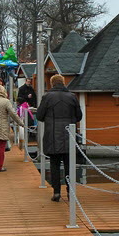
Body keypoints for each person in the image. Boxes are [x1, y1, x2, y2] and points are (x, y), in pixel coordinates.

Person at [37, 74, 82, 202]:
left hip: (52, 135)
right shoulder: (72, 97)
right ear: (63, 83)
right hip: (69, 135)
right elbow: (79, 116)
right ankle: (70, 192)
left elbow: (39, 116)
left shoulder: (47, 97)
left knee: (54, 165)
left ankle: (56, 192)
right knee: (69, 165)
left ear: (52, 83)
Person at [0, 85, 24, 172]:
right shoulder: (6, 101)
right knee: (1, 146)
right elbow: (13, 113)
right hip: (2, 125)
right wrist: (20, 123)